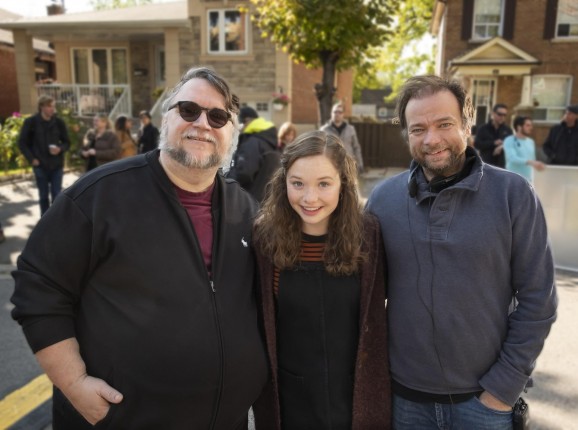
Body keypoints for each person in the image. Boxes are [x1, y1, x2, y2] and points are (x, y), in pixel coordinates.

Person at [11, 66, 268, 429]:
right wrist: (74, 383)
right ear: (167, 118)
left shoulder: (246, 209)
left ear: (231, 132)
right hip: (120, 420)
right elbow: (38, 287)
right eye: (189, 110)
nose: (202, 124)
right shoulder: (99, 196)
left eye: (217, 116)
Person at [366, 75, 557, 429]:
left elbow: (538, 300)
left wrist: (502, 389)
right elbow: (366, 297)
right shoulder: (383, 200)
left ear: (467, 125)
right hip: (404, 402)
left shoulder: (513, 195)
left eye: (444, 124)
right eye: (418, 129)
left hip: (484, 403)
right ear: (406, 134)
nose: (431, 139)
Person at [252, 130, 391, 429]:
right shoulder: (264, 238)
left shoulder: (369, 235)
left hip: (355, 399)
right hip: (289, 402)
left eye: (324, 184)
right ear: (283, 182)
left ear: (343, 183)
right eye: (297, 183)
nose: (309, 197)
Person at [17, 95, 70, 216]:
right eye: (49, 106)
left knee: (57, 195)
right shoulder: (31, 122)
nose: (52, 109)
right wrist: (32, 159)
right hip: (40, 165)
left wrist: (60, 149)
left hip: (56, 165)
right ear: (41, 107)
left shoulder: (58, 123)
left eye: (53, 106)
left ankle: (56, 220)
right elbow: (22, 143)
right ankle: (45, 222)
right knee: (43, 196)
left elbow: (67, 142)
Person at [227, 106, 280, 203]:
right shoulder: (268, 140)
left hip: (248, 202)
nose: (237, 128)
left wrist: (226, 183)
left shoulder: (252, 142)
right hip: (264, 200)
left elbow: (243, 173)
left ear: (246, 121)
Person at [320, 102, 364, 173]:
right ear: (331, 113)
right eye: (335, 112)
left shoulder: (350, 129)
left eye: (339, 112)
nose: (337, 114)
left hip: (348, 166)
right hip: (331, 166)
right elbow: (319, 148)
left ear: (343, 114)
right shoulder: (324, 130)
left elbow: (356, 147)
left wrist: (360, 163)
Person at [503, 116, 546, 183]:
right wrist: (531, 162)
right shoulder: (509, 140)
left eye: (531, 125)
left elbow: (532, 160)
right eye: (528, 125)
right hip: (513, 180)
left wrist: (536, 166)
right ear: (519, 127)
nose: (531, 128)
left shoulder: (531, 141)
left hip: (528, 181)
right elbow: (512, 158)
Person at [474, 103, 513, 168]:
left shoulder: (508, 130)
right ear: (493, 114)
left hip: (501, 167)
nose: (502, 117)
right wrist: (493, 143)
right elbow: (477, 144)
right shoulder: (483, 128)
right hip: (486, 165)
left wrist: (502, 146)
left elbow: (512, 145)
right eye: (500, 114)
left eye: (504, 115)